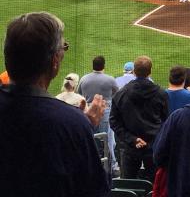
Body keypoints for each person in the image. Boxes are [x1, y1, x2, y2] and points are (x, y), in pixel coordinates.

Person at [0, 12, 109, 197]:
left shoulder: (71, 123)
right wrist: (83, 127)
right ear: (55, 61)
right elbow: (95, 189)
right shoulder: (71, 124)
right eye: (63, 49)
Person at [110, 55, 169, 181]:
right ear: (150, 71)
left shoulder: (121, 93)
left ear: (134, 72)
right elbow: (166, 122)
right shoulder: (161, 93)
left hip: (130, 148)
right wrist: (152, 139)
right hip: (153, 148)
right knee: (155, 187)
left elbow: (114, 121)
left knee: (128, 186)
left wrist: (132, 139)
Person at [77, 55, 119, 171]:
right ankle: (112, 166)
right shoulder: (110, 79)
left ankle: (91, 163)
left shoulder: (84, 79)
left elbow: (79, 94)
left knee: (91, 138)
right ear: (103, 66)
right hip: (105, 112)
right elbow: (118, 94)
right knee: (108, 140)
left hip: (88, 112)